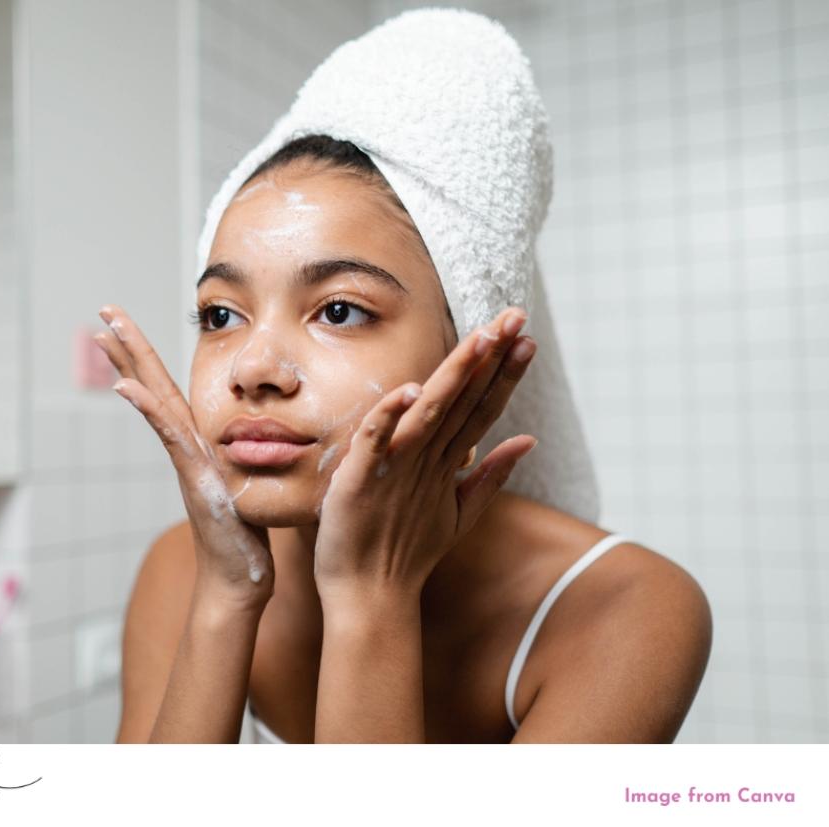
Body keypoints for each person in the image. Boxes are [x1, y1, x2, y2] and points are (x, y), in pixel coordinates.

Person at [95, 133, 712, 744]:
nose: (252, 369)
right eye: (221, 315)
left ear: (471, 359)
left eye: (338, 310)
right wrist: (226, 597)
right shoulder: (186, 569)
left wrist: (371, 596)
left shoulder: (626, 609)